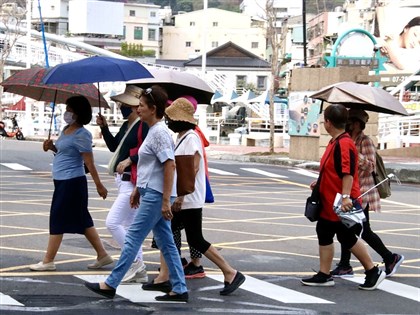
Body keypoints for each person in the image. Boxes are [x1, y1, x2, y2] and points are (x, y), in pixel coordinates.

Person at [84, 85, 189, 302]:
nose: (137, 109)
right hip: (151, 192)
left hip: (157, 195)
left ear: (153, 109)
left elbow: (169, 166)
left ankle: (110, 284)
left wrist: (164, 201)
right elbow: (153, 168)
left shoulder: (159, 132)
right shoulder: (153, 130)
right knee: (167, 242)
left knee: (132, 237)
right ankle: (179, 288)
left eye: (141, 105)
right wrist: (138, 190)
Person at [142, 98, 245, 296]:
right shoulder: (182, 137)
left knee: (192, 238)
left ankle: (230, 272)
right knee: (168, 233)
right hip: (184, 198)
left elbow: (192, 170)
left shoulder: (191, 138)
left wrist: (179, 197)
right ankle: (164, 276)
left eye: (171, 118)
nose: (168, 121)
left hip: (188, 199)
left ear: (181, 120)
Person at [301, 104, 385, 290]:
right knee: (324, 232)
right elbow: (333, 169)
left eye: (324, 119)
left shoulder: (344, 144)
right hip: (330, 200)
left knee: (347, 237)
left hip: (341, 201)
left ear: (328, 122)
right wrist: (320, 182)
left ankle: (372, 271)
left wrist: (346, 197)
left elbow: (347, 173)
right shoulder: (335, 141)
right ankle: (324, 274)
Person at [29, 96, 112, 271]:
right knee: (82, 220)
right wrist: (51, 147)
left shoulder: (82, 134)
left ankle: (48, 261)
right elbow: (64, 152)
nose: (66, 113)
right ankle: (103, 255)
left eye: (69, 109)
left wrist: (99, 185)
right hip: (61, 180)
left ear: (78, 113)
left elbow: (89, 163)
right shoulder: (67, 129)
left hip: (72, 182)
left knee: (57, 217)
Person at [331, 109, 404, 277]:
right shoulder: (346, 139)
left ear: (357, 123)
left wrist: (354, 154)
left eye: (350, 121)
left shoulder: (366, 141)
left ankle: (390, 257)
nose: (347, 124)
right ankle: (345, 265)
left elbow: (370, 166)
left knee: (362, 230)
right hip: (350, 192)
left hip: (364, 192)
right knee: (347, 228)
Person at [96, 85, 149, 283]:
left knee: (113, 222)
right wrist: (104, 127)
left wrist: (131, 159)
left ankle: (136, 263)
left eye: (125, 104)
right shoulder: (128, 125)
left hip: (132, 182)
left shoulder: (143, 126)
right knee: (129, 227)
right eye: (120, 104)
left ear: (137, 106)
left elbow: (146, 151)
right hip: (122, 181)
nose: (121, 107)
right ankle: (139, 270)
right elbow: (113, 147)